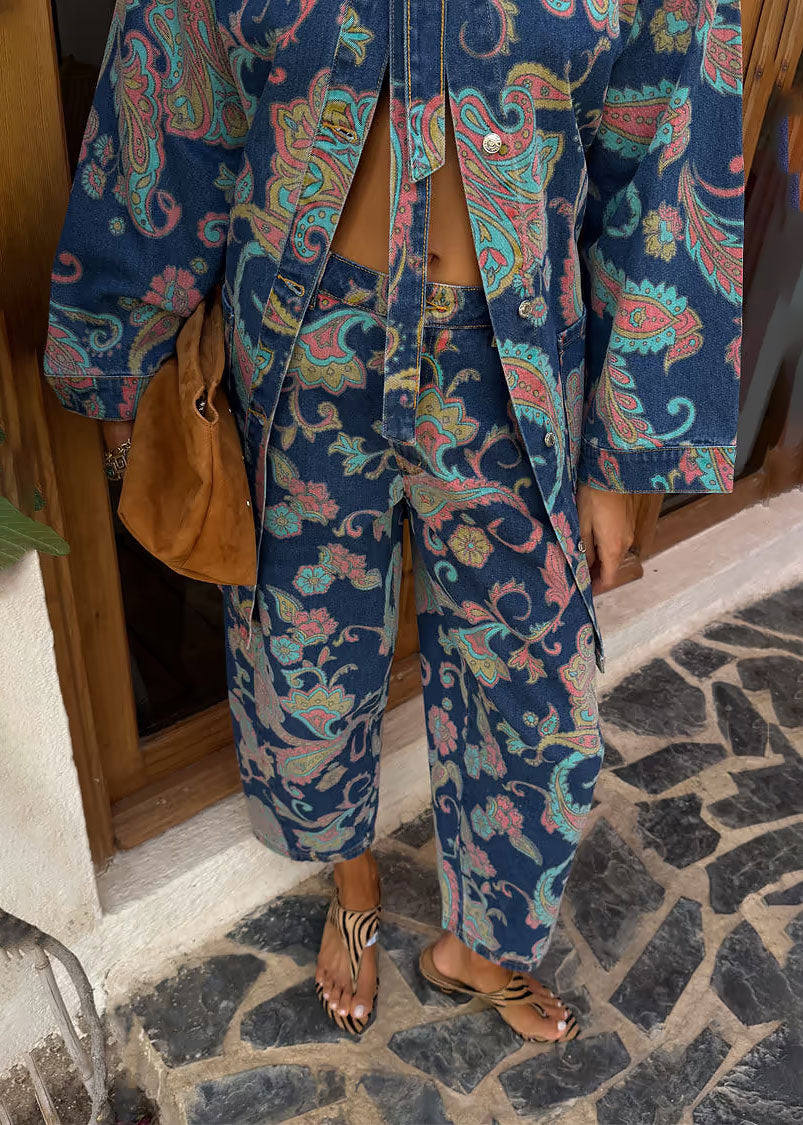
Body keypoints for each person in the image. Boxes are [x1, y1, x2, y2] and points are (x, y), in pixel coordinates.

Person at [44, 0, 744, 1041]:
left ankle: (476, 944)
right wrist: (119, 348)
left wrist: (620, 454)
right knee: (304, 651)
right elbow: (171, 86)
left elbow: (666, 157)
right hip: (297, 348)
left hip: (511, 363)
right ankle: (354, 884)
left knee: (533, 674)